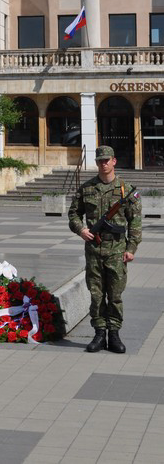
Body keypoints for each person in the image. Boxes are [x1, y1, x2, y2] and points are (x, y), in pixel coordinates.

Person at [68, 145, 142, 354]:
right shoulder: (87, 188)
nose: (103, 163)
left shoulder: (126, 191)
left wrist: (131, 248)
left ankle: (114, 334)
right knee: (96, 295)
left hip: (117, 252)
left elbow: (135, 223)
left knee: (115, 295)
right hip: (93, 251)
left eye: (107, 160)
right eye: (100, 160)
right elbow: (73, 214)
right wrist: (81, 229)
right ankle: (99, 334)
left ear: (114, 161)